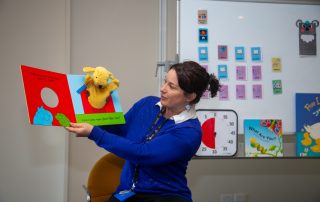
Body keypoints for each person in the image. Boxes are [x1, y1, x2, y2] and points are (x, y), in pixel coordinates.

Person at [66, 61, 220, 202]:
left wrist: (94, 133)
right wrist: (94, 111)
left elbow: (143, 153)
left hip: (165, 196)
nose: (163, 88)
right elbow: (121, 130)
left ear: (190, 96)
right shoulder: (147, 104)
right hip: (127, 193)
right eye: (165, 81)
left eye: (171, 86)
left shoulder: (189, 132)